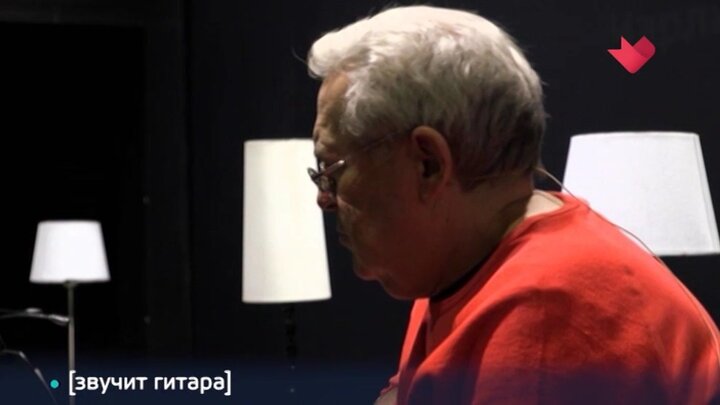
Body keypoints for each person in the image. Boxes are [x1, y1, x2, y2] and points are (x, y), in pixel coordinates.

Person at [306, 5, 720, 404]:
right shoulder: (467, 258)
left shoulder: (545, 311)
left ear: (428, 164)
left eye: (332, 169)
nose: (324, 199)